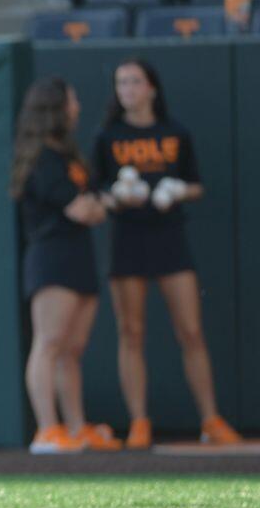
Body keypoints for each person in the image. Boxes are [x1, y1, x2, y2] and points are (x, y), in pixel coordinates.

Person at [94, 58, 242, 449]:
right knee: (131, 331)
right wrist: (117, 197)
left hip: (170, 237)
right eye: (121, 82)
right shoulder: (108, 136)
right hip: (127, 239)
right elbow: (97, 192)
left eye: (134, 81)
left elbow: (196, 185)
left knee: (191, 330)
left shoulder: (175, 132)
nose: (126, 89)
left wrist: (177, 190)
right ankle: (139, 422)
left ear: (151, 88)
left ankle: (210, 420)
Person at [11, 77, 120, 454]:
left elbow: (91, 206)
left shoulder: (67, 154)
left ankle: (76, 427)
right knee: (50, 342)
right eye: (71, 101)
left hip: (79, 255)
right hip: (51, 257)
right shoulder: (42, 157)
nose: (77, 107)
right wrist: (105, 203)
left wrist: (99, 204)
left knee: (73, 348)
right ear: (53, 108)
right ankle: (47, 430)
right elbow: (81, 210)